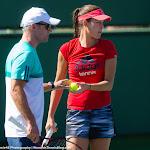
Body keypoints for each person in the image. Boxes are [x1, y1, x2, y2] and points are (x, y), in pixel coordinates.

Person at [45, 4, 118, 150]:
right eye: (98, 22)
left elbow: (109, 84)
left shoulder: (108, 47)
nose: (102, 26)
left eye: (103, 23)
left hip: (102, 111)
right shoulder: (66, 49)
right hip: (76, 113)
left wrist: (87, 86)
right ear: (85, 23)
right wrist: (50, 117)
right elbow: (59, 85)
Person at [5, 7, 70, 149]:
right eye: (47, 26)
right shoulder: (25, 54)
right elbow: (15, 90)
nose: (50, 30)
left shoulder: (22, 50)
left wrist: (54, 86)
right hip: (24, 132)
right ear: (33, 27)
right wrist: (31, 123)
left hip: (23, 132)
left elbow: (28, 88)